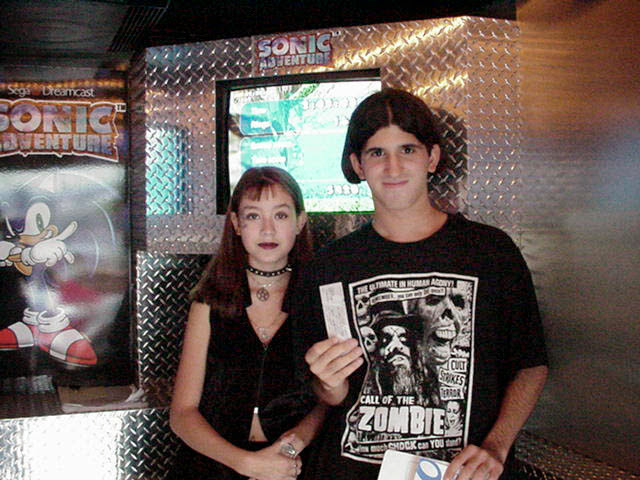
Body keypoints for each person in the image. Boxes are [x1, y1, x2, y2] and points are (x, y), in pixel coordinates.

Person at [294, 88, 548, 480]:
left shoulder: (490, 252)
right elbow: (328, 393)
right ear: (358, 165)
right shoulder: (329, 266)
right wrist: (327, 385)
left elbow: (531, 366)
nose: (393, 167)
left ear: (432, 157)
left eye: (407, 149)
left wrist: (496, 446)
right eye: (377, 153)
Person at [168, 166, 326, 480]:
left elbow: (331, 398)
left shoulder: (320, 299)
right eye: (253, 216)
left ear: (300, 222)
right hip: (211, 467)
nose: (268, 230)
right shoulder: (210, 300)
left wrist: (296, 442)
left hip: (292, 466)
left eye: (280, 215)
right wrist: (246, 463)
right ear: (237, 224)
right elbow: (182, 414)